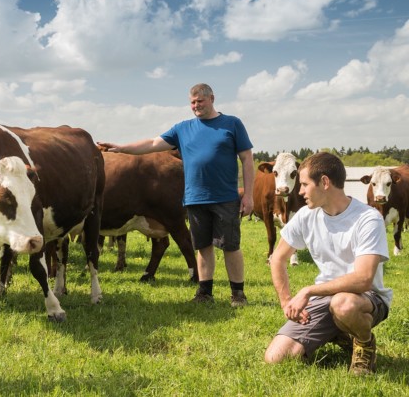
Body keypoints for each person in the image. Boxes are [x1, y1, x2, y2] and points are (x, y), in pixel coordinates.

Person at [98, 83, 254, 307]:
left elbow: (247, 159)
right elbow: (152, 143)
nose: (196, 106)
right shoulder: (183, 128)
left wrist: (248, 195)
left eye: (200, 101)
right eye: (192, 102)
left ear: (212, 98)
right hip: (195, 197)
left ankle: (238, 293)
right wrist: (122, 148)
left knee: (230, 246)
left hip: (225, 196)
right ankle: (204, 292)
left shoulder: (232, 124)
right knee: (202, 246)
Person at [264, 152, 392, 375]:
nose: (300, 191)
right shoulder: (306, 216)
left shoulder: (368, 218)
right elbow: (277, 258)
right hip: (325, 298)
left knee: (343, 304)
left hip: (366, 298)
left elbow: (363, 279)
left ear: (324, 182)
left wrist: (308, 291)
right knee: (276, 358)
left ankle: (364, 342)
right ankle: (340, 332)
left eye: (304, 184)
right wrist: (286, 302)